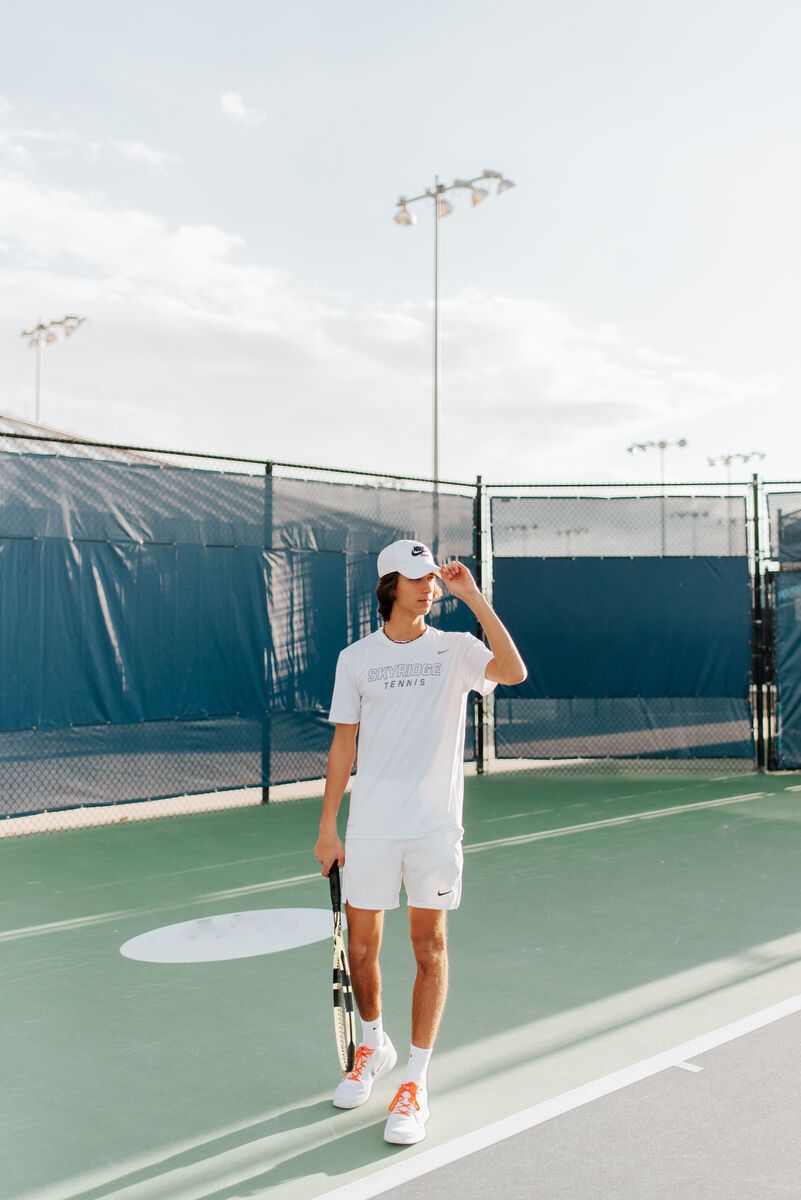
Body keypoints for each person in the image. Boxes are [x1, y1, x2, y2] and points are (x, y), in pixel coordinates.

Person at [313, 538, 527, 1145]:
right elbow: (343, 746)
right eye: (417, 577)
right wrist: (328, 826)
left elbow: (513, 671)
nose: (429, 584)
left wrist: (474, 597)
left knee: (429, 946)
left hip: (434, 827)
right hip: (372, 828)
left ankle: (416, 1080)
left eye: (432, 576)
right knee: (362, 950)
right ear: (389, 587)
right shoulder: (355, 659)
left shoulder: (457, 650)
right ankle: (373, 1047)